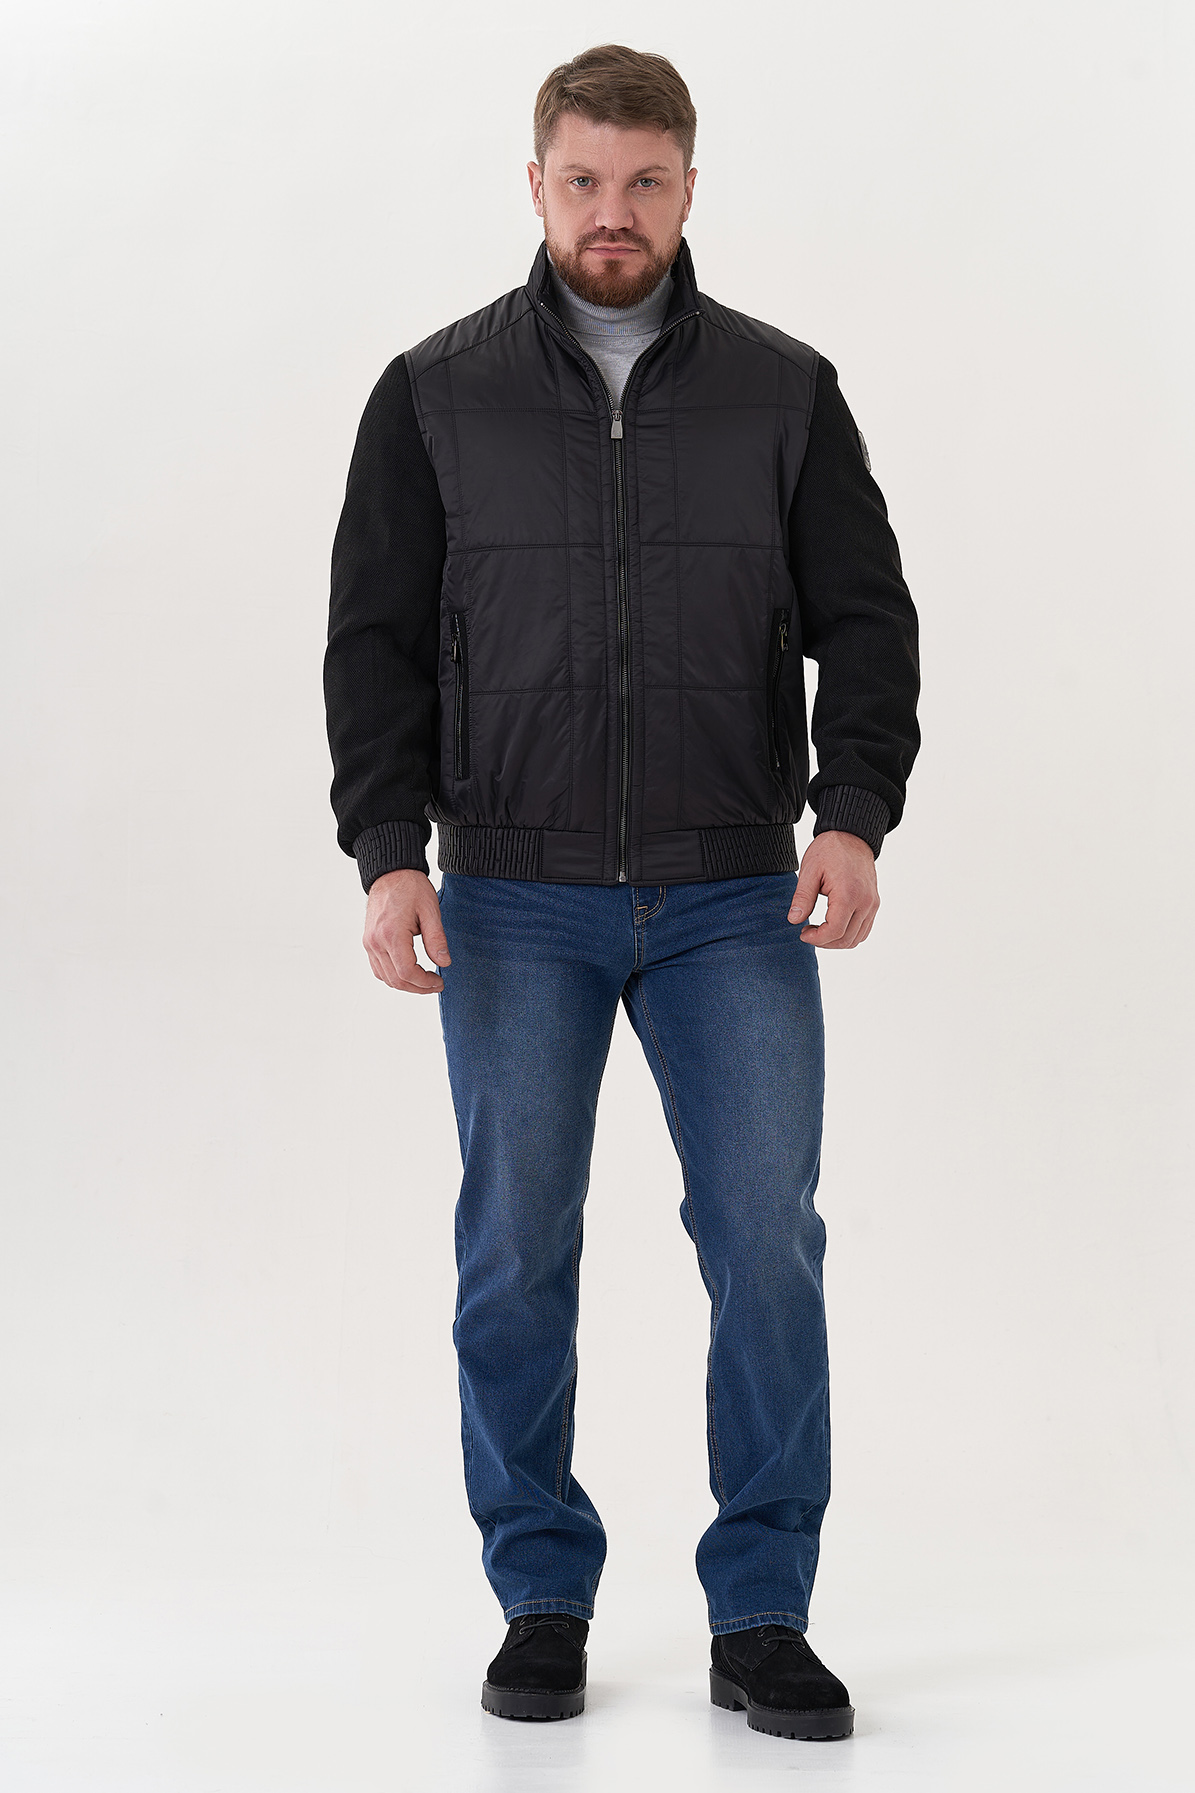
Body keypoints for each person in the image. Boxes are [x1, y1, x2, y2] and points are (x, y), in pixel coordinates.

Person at [324, 43, 919, 1743]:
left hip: (734, 894)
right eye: (584, 180)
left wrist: (854, 813)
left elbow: (869, 618)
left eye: (645, 181)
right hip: (515, 898)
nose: (613, 212)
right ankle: (541, 1592)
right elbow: (371, 641)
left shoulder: (785, 391)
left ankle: (763, 1609)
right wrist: (388, 848)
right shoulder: (430, 395)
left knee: (765, 1242)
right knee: (515, 1250)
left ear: (688, 188)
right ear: (535, 186)